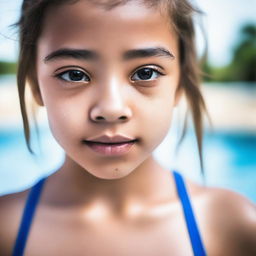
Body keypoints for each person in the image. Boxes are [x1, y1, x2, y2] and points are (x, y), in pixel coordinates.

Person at [0, 0, 256, 255]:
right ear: (35, 84)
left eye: (145, 73)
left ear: (181, 83)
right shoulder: (5, 229)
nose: (112, 109)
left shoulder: (232, 225)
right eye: (74, 74)